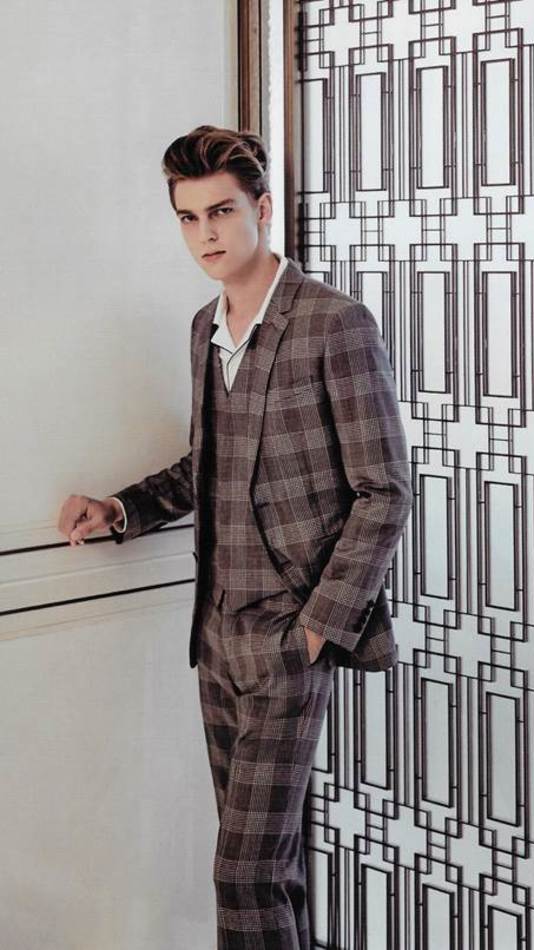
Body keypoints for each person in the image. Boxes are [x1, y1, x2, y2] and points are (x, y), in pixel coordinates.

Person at [56, 124, 412, 949]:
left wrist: (317, 629)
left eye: (221, 211)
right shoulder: (202, 328)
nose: (205, 235)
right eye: (188, 218)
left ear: (262, 208)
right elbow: (208, 464)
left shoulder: (333, 323)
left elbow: (384, 490)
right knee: (270, 870)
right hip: (215, 640)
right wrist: (119, 510)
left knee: (242, 873)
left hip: (289, 638)